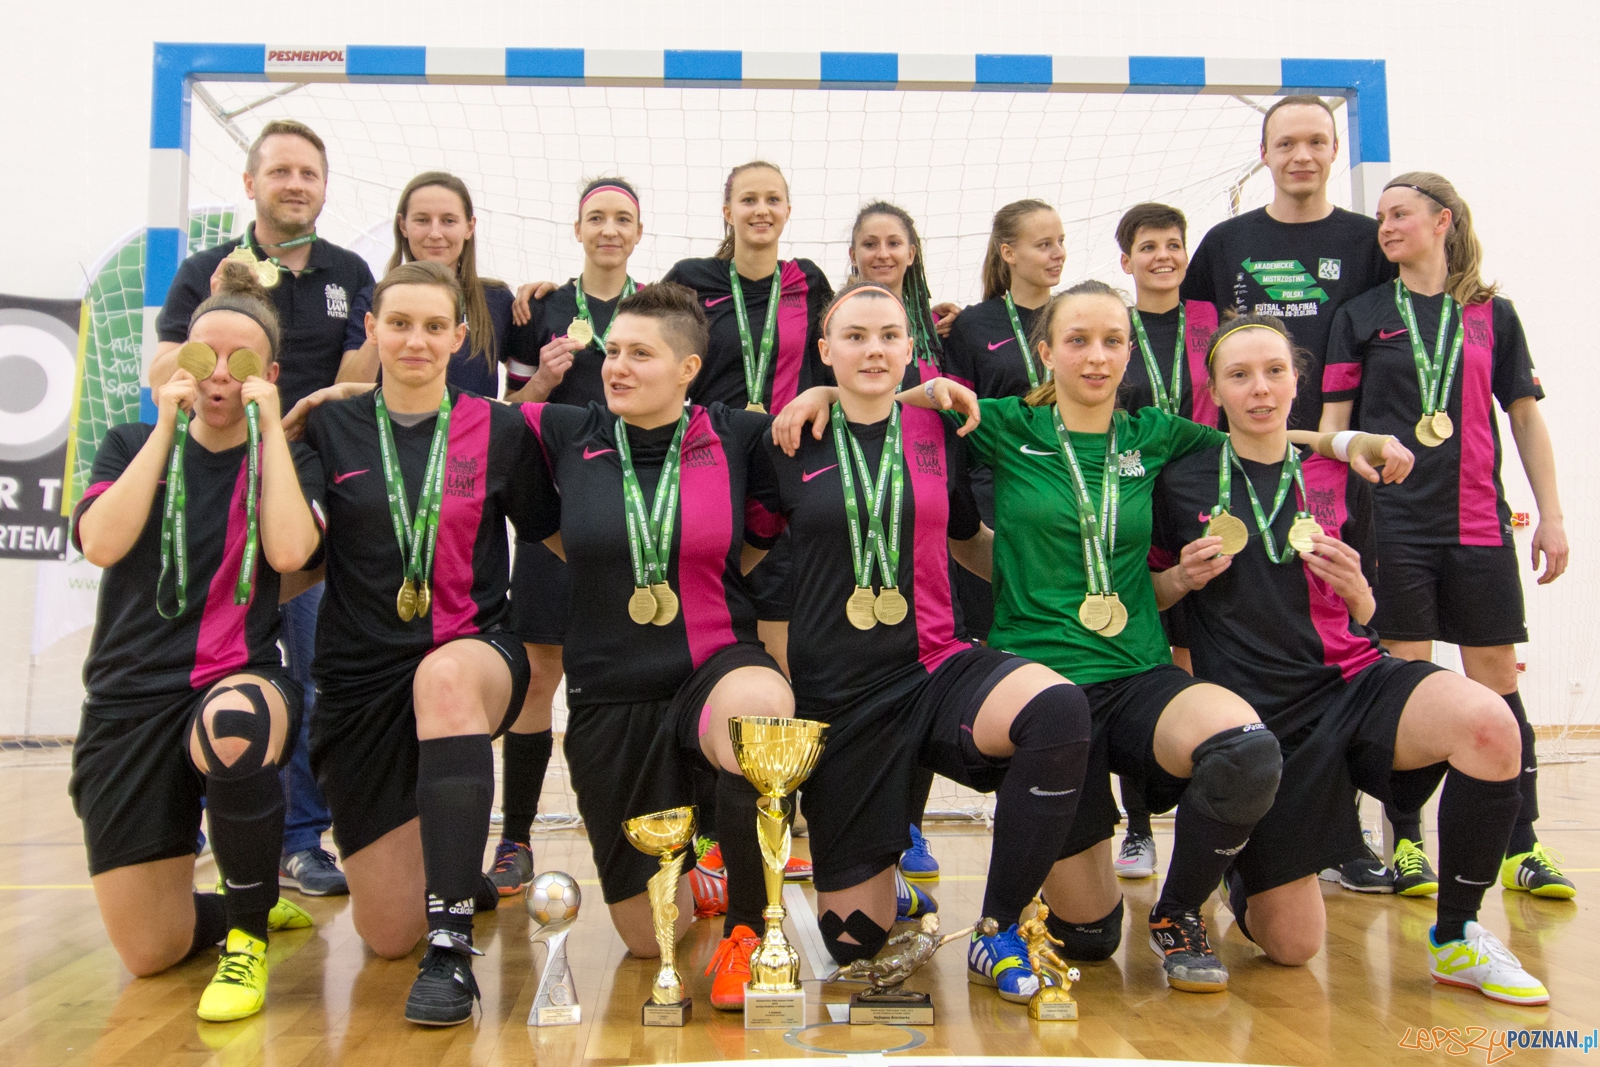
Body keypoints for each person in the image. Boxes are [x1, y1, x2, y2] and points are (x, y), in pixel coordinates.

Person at [944, 279, 1408, 993]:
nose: (1096, 357)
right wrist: (818, 396)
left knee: (1246, 748)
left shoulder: (1155, 435)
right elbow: (907, 410)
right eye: (1077, 341)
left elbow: (1263, 437)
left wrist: (1351, 439)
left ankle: (1179, 908)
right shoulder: (1008, 424)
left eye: (1111, 341)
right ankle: (1050, 897)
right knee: (1092, 939)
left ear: (1130, 352)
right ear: (1046, 353)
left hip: (1135, 670)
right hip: (1041, 689)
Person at [1152, 313, 1547, 1005]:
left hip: (1353, 682)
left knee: (1490, 723)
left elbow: (1374, 614)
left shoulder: (1339, 473)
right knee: (1294, 947)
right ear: (1214, 390)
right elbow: (1152, 600)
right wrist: (1181, 578)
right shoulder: (1179, 479)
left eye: (1275, 371)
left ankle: (1456, 934)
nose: (1261, 388)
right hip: (1260, 720)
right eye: (1239, 375)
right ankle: (1241, 859)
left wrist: (1359, 591)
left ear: (1298, 379)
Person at [769, 282, 1093, 1008]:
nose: (873, 348)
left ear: (912, 349)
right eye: (853, 336)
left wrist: (1047, 584)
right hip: (840, 698)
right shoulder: (790, 437)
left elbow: (967, 539)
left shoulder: (939, 428)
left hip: (934, 665)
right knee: (852, 936)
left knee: (1058, 709)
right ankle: (894, 883)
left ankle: (999, 925)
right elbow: (751, 549)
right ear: (825, 351)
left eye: (889, 334)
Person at [520, 282, 794, 1012]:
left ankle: (747, 932)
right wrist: (340, 398)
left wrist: (821, 394)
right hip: (610, 693)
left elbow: (765, 532)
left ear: (687, 368)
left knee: (761, 712)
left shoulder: (737, 434)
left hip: (713, 670)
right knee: (648, 938)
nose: (617, 366)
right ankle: (703, 864)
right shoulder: (565, 432)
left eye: (640, 353)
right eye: (612, 350)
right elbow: (456, 417)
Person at [300, 260, 558, 1027]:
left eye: (434, 326)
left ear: (459, 336)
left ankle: (450, 948)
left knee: (443, 680)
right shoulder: (327, 424)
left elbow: (556, 539)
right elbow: (293, 553)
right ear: (373, 330)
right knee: (384, 935)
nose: (416, 339)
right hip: (358, 678)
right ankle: (453, 880)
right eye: (399, 324)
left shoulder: (501, 429)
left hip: (475, 654)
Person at [69, 265, 324, 1021]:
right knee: (152, 950)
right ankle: (244, 898)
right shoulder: (126, 443)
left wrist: (269, 430)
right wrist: (164, 428)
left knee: (236, 722)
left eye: (241, 360)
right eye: (203, 356)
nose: (218, 374)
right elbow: (101, 543)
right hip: (127, 702)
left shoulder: (288, 460)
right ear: (178, 362)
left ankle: (246, 937)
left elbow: (287, 553)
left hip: (236, 677)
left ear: (268, 375)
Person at [1322, 172, 1572, 900]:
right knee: (1408, 680)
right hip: (1393, 527)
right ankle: (1405, 842)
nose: (1387, 226)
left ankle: (1521, 844)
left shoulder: (1495, 314)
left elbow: (1525, 417)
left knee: (1496, 681)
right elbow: (1335, 432)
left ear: (1444, 220)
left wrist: (1550, 513)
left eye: (1401, 213)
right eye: (1381, 217)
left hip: (1479, 525)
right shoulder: (1362, 314)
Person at [153, 119, 375, 898]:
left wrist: (300, 411)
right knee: (211, 659)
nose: (296, 184)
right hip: (213, 484)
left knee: (312, 668)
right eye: (280, 170)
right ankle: (216, 826)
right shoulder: (204, 270)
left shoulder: (349, 272)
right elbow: (162, 369)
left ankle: (300, 840)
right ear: (251, 183)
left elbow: (356, 383)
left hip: (305, 483)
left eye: (309, 172)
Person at [478, 177, 649, 899]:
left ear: (639, 231)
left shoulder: (659, 304)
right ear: (576, 227)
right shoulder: (539, 308)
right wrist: (543, 382)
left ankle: (654, 829)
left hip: (639, 512)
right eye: (596, 218)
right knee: (539, 674)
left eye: (623, 219)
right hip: (555, 515)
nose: (609, 229)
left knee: (642, 668)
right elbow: (509, 412)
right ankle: (515, 836)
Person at [662, 161, 834, 675]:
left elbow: (846, 343)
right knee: (705, 596)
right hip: (709, 459)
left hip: (785, 457)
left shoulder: (808, 279)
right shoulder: (692, 277)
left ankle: (778, 745)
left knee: (778, 623)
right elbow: (641, 332)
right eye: (749, 200)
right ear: (727, 212)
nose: (762, 210)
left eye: (773, 200)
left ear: (787, 210)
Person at [844, 200, 965, 881]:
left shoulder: (942, 328)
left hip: (917, 513)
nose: (883, 252)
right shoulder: (837, 316)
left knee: (921, 670)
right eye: (870, 242)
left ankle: (911, 822)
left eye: (895, 242)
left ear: (912, 251)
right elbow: (839, 395)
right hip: (853, 519)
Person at [1111, 200, 1223, 881]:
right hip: (1134, 494)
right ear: (1126, 260)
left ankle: (1208, 818)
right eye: (1148, 245)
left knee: (1202, 657)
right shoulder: (1113, 327)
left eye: (1172, 244)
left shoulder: (1215, 322)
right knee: (1144, 658)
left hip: (1207, 496)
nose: (1162, 255)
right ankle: (1137, 824)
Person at [1181, 95, 1394, 434]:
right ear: (1264, 153)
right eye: (1286, 144)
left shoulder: (1370, 241)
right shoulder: (1223, 242)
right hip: (1245, 450)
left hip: (1346, 447)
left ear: (1335, 149)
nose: (1302, 156)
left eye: (1316, 142)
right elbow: (1187, 344)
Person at [938, 199, 1067, 647]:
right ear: (1008, 253)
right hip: (1001, 492)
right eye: (1044, 244)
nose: (1058, 253)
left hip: (1073, 489)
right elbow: (957, 420)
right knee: (998, 635)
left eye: (1061, 242)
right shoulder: (974, 324)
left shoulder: (1076, 315)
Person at [342, 171, 514, 399]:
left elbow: (522, 386)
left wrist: (542, 297)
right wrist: (387, 316)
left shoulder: (496, 299)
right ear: (403, 225)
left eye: (448, 221)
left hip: (468, 433)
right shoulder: (373, 298)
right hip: (386, 433)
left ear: (469, 227)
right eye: (422, 220)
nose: (435, 233)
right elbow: (343, 391)